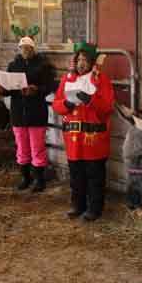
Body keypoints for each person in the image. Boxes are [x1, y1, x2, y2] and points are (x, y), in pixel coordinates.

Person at [52, 41, 115, 222]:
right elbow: (57, 104)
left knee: (94, 176)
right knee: (76, 175)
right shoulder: (67, 79)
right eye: (78, 59)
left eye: (85, 60)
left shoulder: (101, 80)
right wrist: (67, 104)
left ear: (92, 62)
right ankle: (77, 205)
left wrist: (91, 100)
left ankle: (95, 208)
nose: (81, 63)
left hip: (93, 140)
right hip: (73, 140)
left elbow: (107, 107)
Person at [0, 36, 56, 193]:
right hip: (18, 112)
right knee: (22, 147)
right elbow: (8, 88)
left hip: (36, 111)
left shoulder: (43, 66)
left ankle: (39, 180)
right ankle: (25, 177)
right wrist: (3, 90)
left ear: (33, 49)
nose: (25, 51)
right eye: (22, 48)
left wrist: (36, 89)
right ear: (19, 49)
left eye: (28, 48)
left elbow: (50, 86)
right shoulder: (13, 65)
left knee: (37, 147)